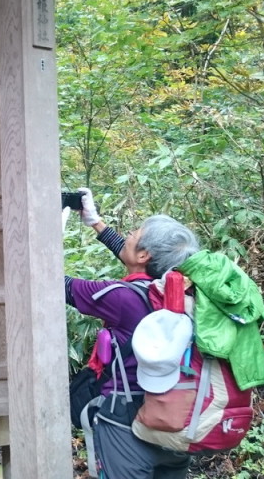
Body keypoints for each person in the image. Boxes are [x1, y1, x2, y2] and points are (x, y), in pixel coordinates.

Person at [64, 188, 200, 479]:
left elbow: (57, 283)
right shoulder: (184, 294)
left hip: (126, 422)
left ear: (144, 254)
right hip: (175, 418)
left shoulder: (121, 299)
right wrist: (95, 223)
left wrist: (47, 227)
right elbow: (138, 262)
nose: (127, 235)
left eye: (134, 233)